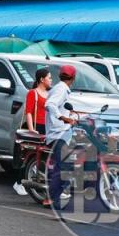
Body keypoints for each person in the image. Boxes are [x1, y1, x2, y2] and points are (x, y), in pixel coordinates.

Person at [13, 68, 51, 197]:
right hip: (36, 127)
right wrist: (31, 129)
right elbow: (28, 112)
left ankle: (45, 183)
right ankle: (18, 183)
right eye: (49, 78)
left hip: (47, 127)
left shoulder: (50, 94)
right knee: (28, 155)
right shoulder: (32, 93)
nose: (51, 80)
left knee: (45, 156)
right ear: (42, 79)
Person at [44, 64, 78, 209]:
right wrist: (63, 118)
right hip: (58, 134)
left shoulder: (61, 89)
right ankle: (51, 198)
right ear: (74, 78)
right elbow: (50, 104)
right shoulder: (61, 89)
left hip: (63, 133)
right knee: (64, 166)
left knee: (68, 165)